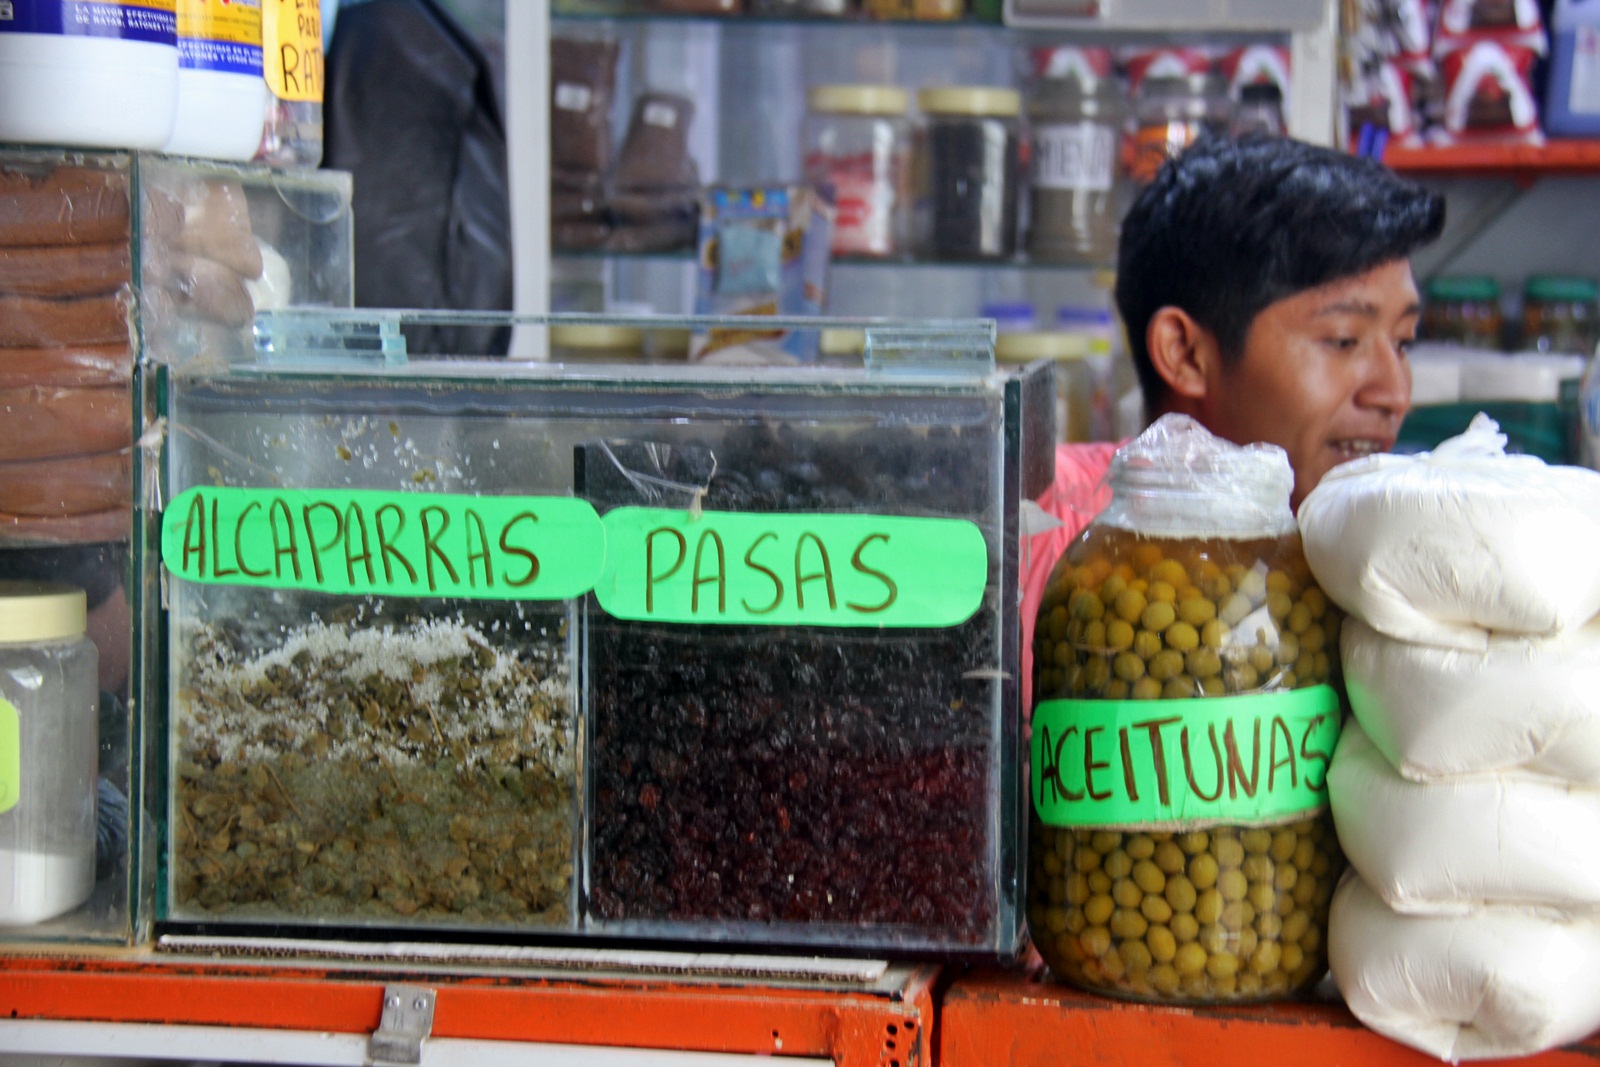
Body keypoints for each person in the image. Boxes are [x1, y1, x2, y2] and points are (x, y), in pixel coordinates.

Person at [1022, 134, 1447, 707]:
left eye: (1403, 343)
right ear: (1187, 354)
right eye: (1343, 340)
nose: (1394, 392)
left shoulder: (1405, 568)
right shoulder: (1036, 538)